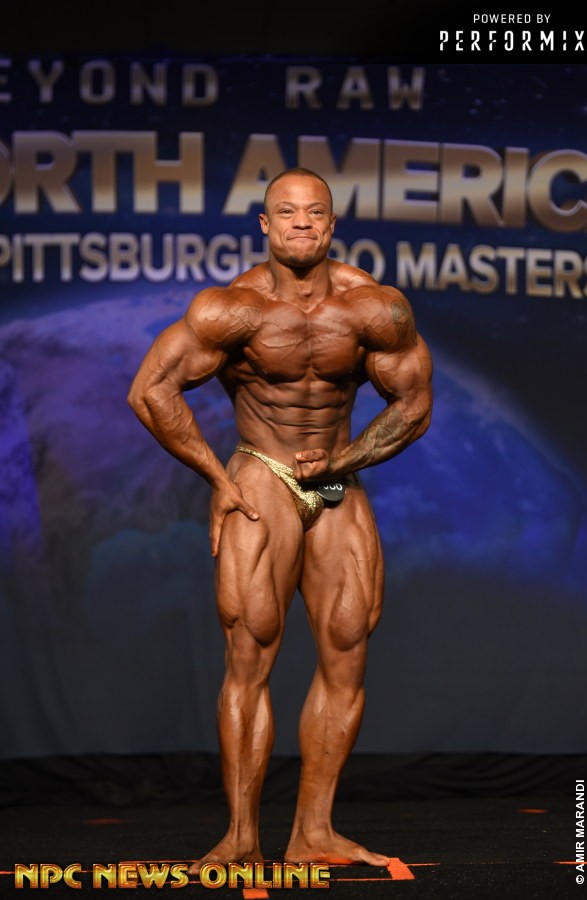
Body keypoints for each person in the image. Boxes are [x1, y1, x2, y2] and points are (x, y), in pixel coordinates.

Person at [127, 167, 433, 868]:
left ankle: (313, 834)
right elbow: (151, 390)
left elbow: (415, 403)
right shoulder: (231, 310)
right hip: (261, 473)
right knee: (251, 652)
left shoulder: (374, 309)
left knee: (348, 647)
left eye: (314, 212)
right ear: (264, 225)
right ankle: (240, 837)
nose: (301, 223)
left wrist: (346, 457)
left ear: (332, 224)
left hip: (336, 475)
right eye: (286, 212)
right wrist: (217, 477)